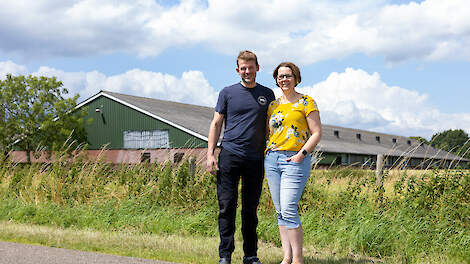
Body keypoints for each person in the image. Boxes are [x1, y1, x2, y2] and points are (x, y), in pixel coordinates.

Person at [206, 50, 275, 264]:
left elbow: (269, 127)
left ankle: (250, 255)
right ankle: (225, 255)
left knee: (250, 209)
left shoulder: (268, 94)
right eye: (243, 68)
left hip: (255, 158)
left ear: (257, 68)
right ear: (238, 70)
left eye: (250, 67)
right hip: (230, 155)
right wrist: (210, 154)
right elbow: (216, 123)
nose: (247, 71)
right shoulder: (227, 93)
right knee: (226, 206)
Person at [264, 62, 322, 264]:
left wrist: (301, 154)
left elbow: (316, 133)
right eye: (280, 77)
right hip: (272, 159)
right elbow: (268, 134)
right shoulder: (273, 106)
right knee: (280, 211)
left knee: (289, 208)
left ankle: (298, 259)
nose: (284, 79)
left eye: (288, 75)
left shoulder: (307, 102)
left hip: (295, 160)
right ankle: (286, 258)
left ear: (296, 78)